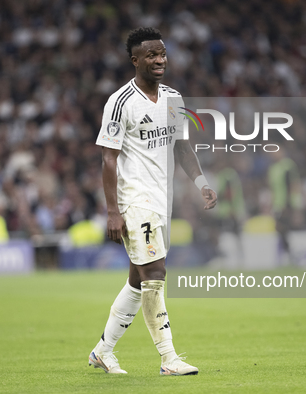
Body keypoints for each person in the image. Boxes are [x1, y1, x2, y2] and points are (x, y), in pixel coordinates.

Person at [89, 27, 217, 376]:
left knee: (137, 279)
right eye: (151, 55)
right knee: (155, 274)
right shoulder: (120, 102)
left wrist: (201, 182)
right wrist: (113, 212)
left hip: (163, 201)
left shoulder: (174, 98)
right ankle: (168, 359)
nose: (160, 60)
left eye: (162, 54)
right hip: (135, 201)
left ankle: (103, 351)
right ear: (135, 60)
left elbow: (182, 147)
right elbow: (109, 159)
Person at [268, 148, 303, 265]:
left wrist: (290, 205)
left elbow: (292, 185)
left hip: (287, 204)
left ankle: (291, 254)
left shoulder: (288, 166)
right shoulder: (273, 168)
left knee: (284, 228)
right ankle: (290, 254)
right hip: (278, 204)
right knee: (281, 229)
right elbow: (273, 189)